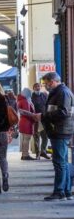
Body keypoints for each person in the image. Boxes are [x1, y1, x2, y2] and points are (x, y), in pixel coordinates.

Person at [35, 72, 74, 201]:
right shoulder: (60, 92)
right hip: (59, 130)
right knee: (62, 162)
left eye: (46, 83)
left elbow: (63, 112)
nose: (45, 86)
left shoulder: (62, 93)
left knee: (59, 163)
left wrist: (43, 116)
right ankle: (66, 191)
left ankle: (59, 192)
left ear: (52, 81)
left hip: (61, 131)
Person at [31, 83, 50, 160]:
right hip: (35, 119)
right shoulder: (31, 97)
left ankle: (43, 151)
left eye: (39, 86)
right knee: (36, 137)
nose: (38, 88)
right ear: (33, 88)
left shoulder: (44, 95)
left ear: (41, 87)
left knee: (45, 137)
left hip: (44, 119)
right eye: (36, 87)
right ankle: (37, 154)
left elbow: (48, 105)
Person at [18, 88, 37, 160]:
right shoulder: (25, 101)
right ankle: (25, 155)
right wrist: (34, 115)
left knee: (24, 139)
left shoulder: (20, 100)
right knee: (27, 139)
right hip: (27, 122)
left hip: (23, 121)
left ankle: (24, 154)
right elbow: (27, 112)